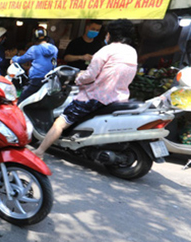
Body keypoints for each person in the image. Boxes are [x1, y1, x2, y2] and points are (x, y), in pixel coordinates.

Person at [33, 19, 138, 158]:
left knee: (61, 122)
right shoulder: (132, 52)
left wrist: (78, 78)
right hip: (119, 98)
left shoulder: (106, 51)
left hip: (96, 97)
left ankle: (39, 152)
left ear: (111, 34)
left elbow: (90, 76)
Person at [12, 27, 58, 103]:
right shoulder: (54, 49)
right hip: (50, 81)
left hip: (36, 80)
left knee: (22, 100)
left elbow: (22, 59)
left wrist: (14, 58)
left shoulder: (34, 49)